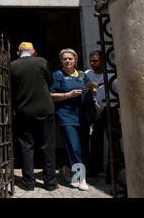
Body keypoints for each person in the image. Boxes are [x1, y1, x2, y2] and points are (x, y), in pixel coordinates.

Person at [10, 42, 58, 191]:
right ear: (33, 51)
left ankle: (28, 182)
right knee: (47, 146)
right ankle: (50, 183)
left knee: (26, 146)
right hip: (45, 110)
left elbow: (9, 87)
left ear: (18, 53)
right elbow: (50, 81)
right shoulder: (42, 61)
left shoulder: (12, 65)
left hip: (24, 111)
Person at [49, 48, 96, 191]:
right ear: (61, 61)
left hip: (82, 116)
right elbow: (50, 94)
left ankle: (68, 168)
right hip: (66, 116)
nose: (67, 61)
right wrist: (68, 95)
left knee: (82, 148)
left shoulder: (81, 75)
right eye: (65, 59)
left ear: (75, 60)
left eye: (70, 58)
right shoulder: (57, 76)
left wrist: (92, 89)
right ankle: (81, 178)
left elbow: (90, 87)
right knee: (74, 147)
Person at [85, 50, 119, 179]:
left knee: (113, 140)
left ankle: (112, 172)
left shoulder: (111, 74)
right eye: (91, 61)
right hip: (96, 110)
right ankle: (95, 168)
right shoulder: (88, 74)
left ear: (103, 61)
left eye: (95, 61)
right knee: (95, 140)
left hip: (110, 109)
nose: (93, 64)